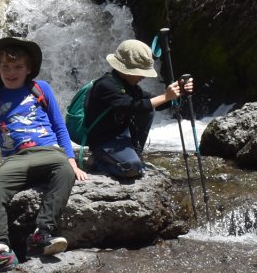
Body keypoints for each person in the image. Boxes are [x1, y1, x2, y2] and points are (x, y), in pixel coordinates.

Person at [0, 36, 87, 273]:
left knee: (64, 173)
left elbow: (59, 126)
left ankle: (41, 234)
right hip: (16, 159)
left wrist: (72, 161)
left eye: (18, 67)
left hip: (49, 152)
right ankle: (1, 252)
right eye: (6, 67)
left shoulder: (41, 89)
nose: (11, 72)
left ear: (29, 68)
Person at [81, 38, 193, 179]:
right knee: (132, 169)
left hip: (122, 139)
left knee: (149, 108)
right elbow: (132, 107)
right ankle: (97, 161)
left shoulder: (129, 86)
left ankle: (134, 153)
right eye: (140, 72)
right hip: (104, 142)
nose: (143, 77)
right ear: (126, 69)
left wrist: (179, 92)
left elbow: (151, 102)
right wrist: (166, 96)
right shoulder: (106, 85)